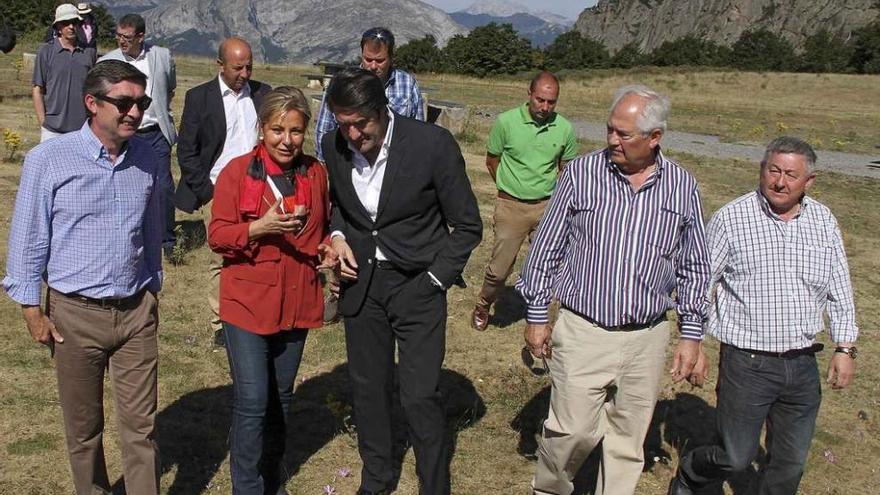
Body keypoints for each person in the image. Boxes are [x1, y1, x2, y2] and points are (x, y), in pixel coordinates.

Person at [515, 84, 711, 495]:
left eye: (624, 134)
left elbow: (694, 264)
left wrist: (691, 335)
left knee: (627, 441)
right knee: (570, 432)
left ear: (654, 138)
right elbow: (547, 246)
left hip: (647, 336)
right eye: (610, 129)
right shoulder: (583, 174)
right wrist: (536, 315)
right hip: (584, 329)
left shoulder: (682, 186)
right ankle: (550, 489)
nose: (612, 140)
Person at [4, 60, 163, 495]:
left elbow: (151, 228)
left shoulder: (148, 157)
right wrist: (32, 309)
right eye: (125, 102)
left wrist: (152, 286)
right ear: (92, 103)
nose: (135, 112)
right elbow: (28, 238)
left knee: (141, 429)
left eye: (142, 102)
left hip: (135, 314)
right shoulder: (49, 160)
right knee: (83, 430)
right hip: (74, 315)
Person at [668, 136, 859, 495]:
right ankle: (692, 472)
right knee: (735, 456)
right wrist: (695, 343)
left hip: (802, 364)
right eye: (773, 171)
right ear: (761, 170)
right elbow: (700, 282)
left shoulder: (823, 221)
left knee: (789, 463)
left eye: (790, 174)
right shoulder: (732, 218)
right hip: (747, 362)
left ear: (809, 181)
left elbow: (840, 287)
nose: (780, 182)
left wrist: (845, 347)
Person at [322, 68, 482, 495]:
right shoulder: (332, 145)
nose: (353, 135)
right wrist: (337, 236)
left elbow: (467, 225)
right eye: (344, 125)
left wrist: (433, 280)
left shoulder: (432, 145)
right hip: (362, 288)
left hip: (418, 286)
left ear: (383, 109)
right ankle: (376, 477)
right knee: (368, 390)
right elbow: (339, 206)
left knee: (419, 396)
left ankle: (433, 484)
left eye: (361, 124)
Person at [209, 86, 337, 495]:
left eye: (296, 131)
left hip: (297, 300)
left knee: (281, 398)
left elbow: (323, 228)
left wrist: (329, 248)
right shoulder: (237, 171)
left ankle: (270, 480)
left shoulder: (315, 173)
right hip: (248, 303)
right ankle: (246, 487)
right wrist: (257, 229)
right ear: (262, 129)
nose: (287, 140)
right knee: (252, 401)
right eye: (278, 130)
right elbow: (217, 235)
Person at [175, 37, 271, 346]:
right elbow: (187, 151)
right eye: (238, 68)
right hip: (219, 191)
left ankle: (254, 311)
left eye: (249, 67)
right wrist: (206, 191)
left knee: (258, 252)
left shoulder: (263, 94)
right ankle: (220, 324)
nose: (245, 74)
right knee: (221, 258)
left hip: (259, 187)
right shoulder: (199, 98)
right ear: (220, 66)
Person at [471, 71, 577, 331]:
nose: (545, 107)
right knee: (499, 269)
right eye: (540, 100)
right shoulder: (506, 122)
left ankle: (546, 320)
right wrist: (507, 189)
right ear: (529, 94)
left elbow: (567, 168)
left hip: (547, 207)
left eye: (551, 102)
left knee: (551, 265)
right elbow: (491, 160)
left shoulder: (564, 128)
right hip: (511, 207)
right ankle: (484, 304)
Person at [100, 13, 178, 257]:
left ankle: (167, 241)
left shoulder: (162, 57)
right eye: (118, 36)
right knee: (121, 183)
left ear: (141, 36)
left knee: (163, 186)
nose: (121, 41)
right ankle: (122, 233)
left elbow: (170, 87)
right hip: (122, 134)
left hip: (155, 132)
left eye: (127, 37)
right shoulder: (107, 61)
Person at [314, 27, 425, 163]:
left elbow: (418, 130)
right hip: (350, 161)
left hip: (395, 163)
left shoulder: (407, 84)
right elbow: (324, 129)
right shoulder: (342, 82)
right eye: (368, 59)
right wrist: (326, 163)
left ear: (391, 58)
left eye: (379, 61)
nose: (372, 66)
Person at [33, 3, 96, 142]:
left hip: (82, 129)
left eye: (74, 22)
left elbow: (95, 89)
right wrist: (43, 122)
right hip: (52, 129)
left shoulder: (89, 53)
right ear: (58, 27)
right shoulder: (46, 52)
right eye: (66, 23)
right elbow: (38, 89)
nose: (71, 27)